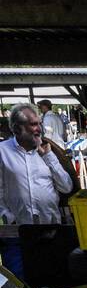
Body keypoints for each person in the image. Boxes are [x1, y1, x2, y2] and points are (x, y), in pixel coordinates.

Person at [0, 103, 73, 276]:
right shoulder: (2, 152)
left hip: (50, 231)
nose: (39, 128)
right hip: (17, 233)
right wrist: (8, 217)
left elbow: (66, 186)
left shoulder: (50, 150)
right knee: (21, 285)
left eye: (39, 123)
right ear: (17, 129)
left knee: (50, 282)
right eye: (33, 124)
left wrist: (48, 157)